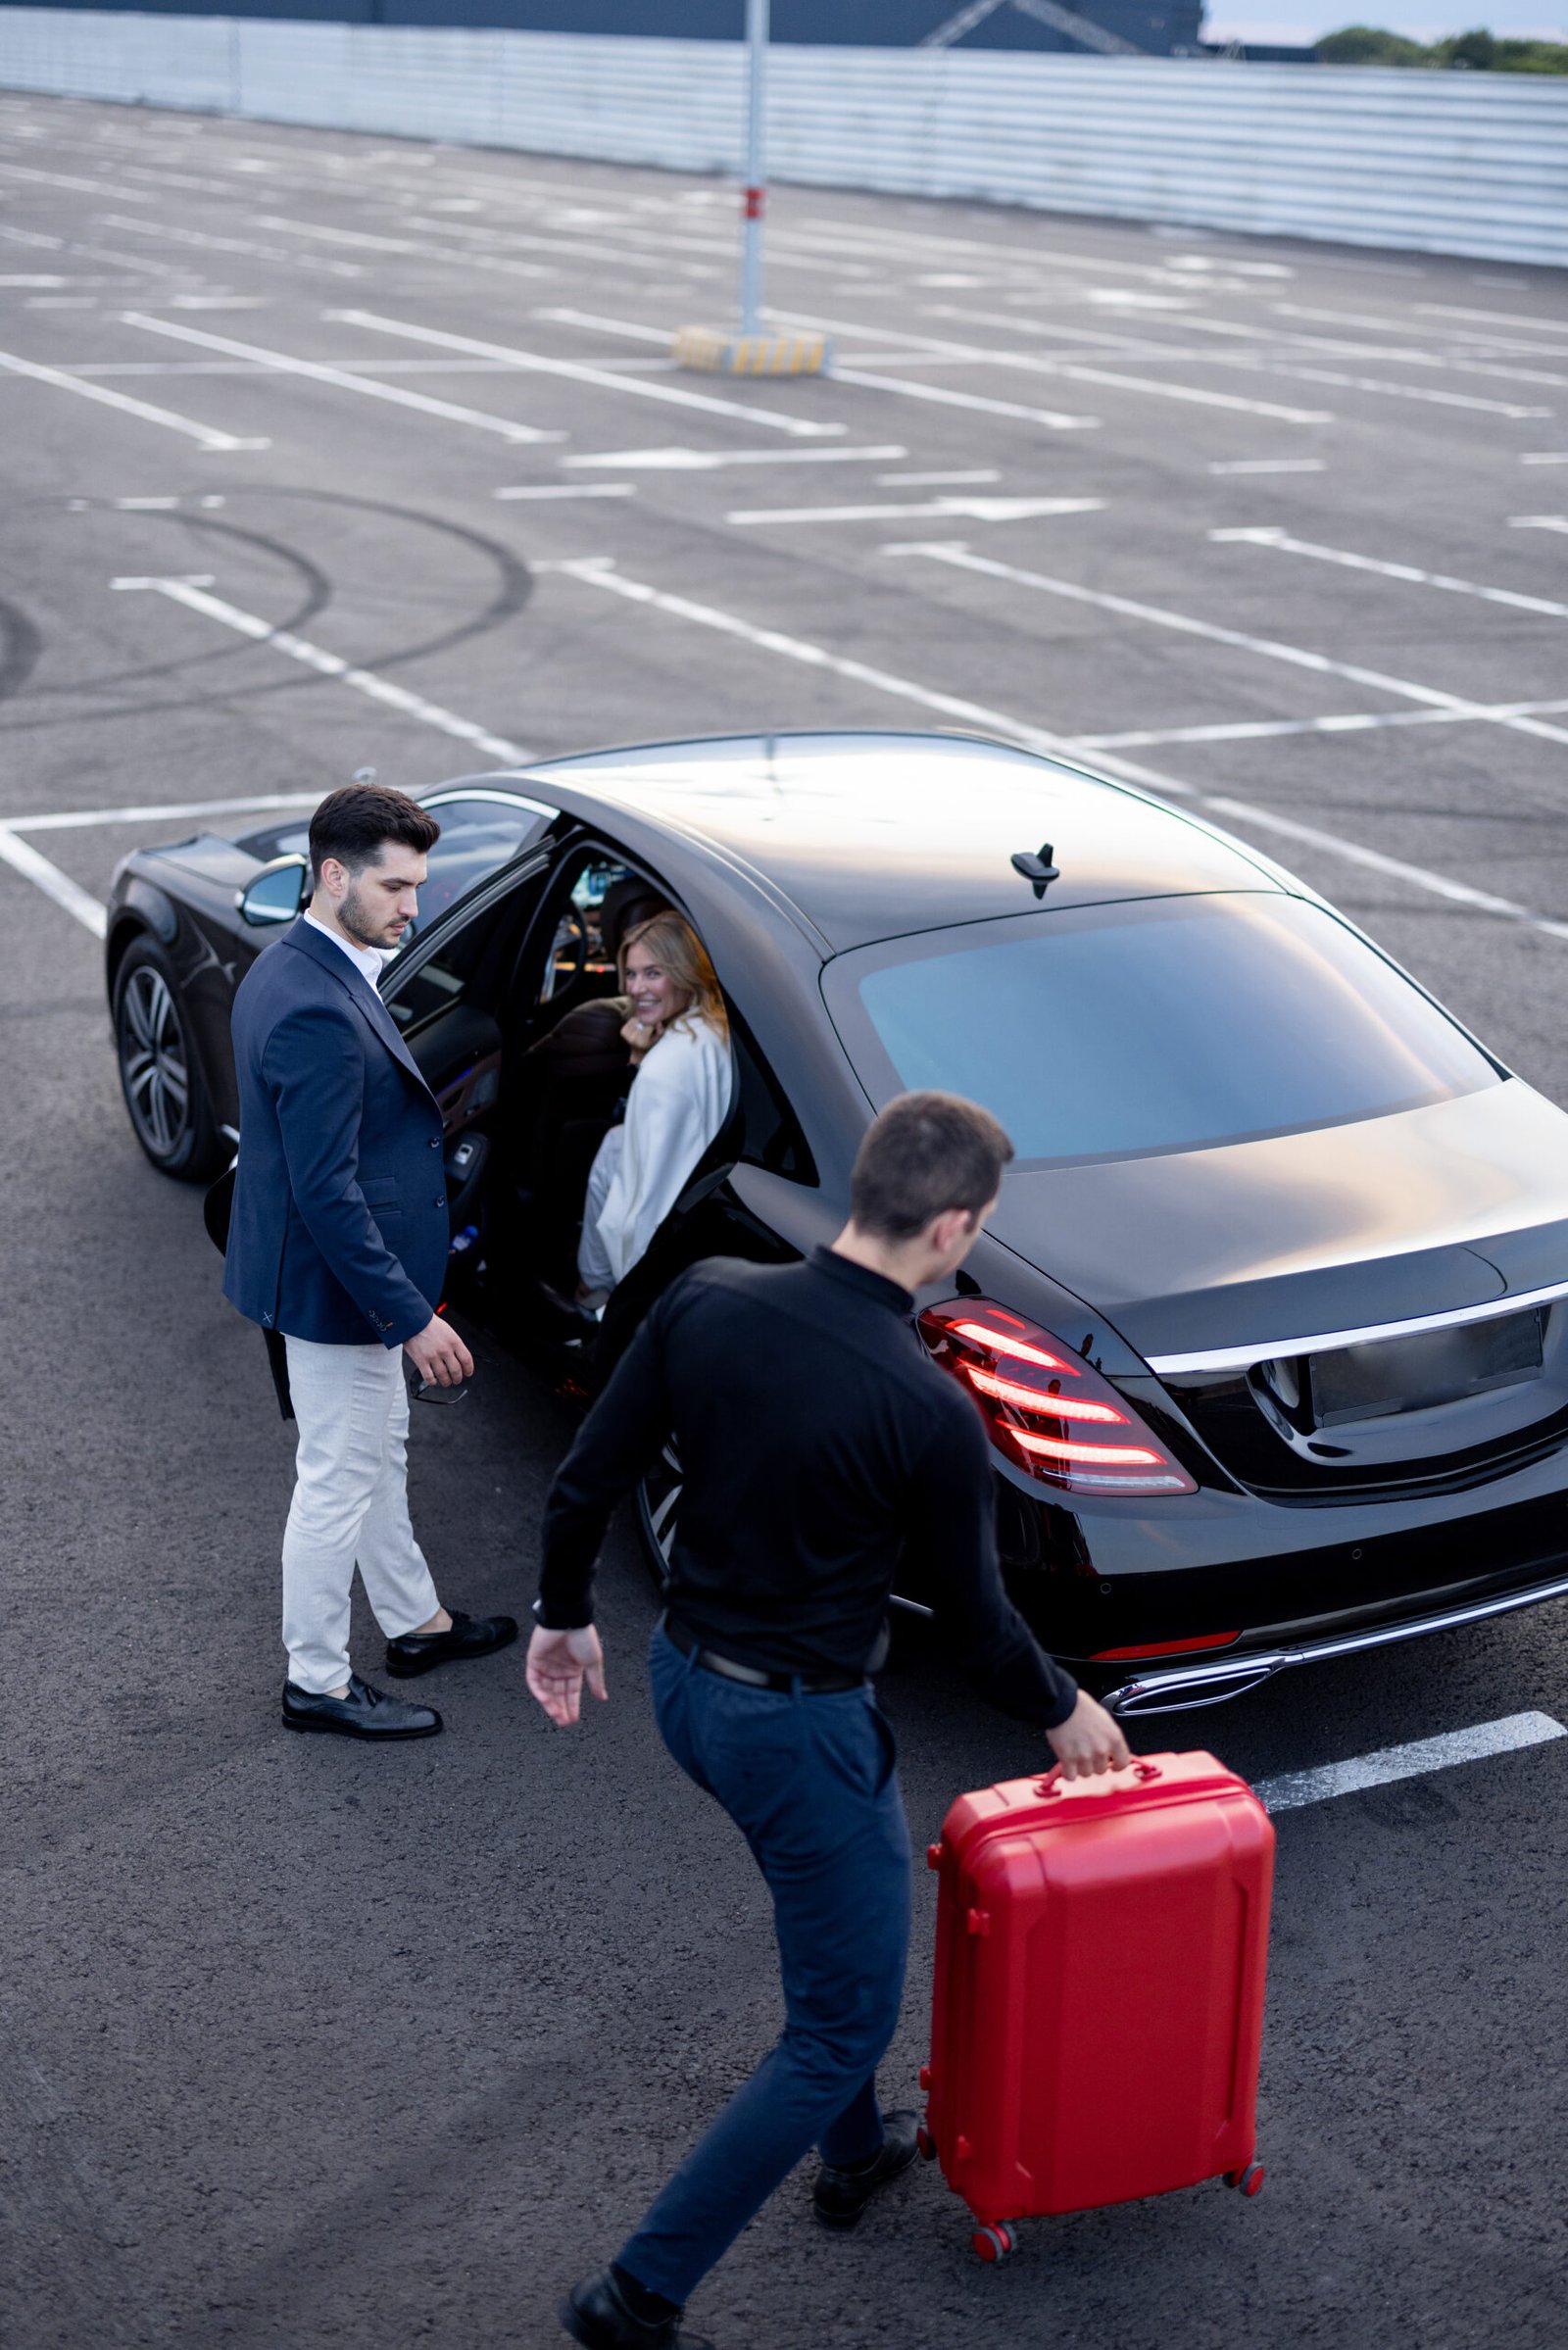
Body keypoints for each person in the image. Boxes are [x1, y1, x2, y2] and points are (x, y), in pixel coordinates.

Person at [525, 1091, 1132, 2350]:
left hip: (685, 1686)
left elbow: (587, 1474)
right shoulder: (926, 1409)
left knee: (830, 1922)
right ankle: (636, 2294)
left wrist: (564, 1615)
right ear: (953, 1226)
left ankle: (855, 2154)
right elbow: (974, 1623)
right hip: (796, 1730)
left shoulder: (707, 1298)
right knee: (842, 2019)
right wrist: (1064, 1707)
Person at [223, 781, 516, 1741]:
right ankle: (314, 1680)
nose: (412, 908)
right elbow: (326, 1192)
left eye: (419, 886)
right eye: (396, 887)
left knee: (374, 1454)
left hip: (334, 1286)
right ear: (334, 874)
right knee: (337, 1479)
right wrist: (412, 1315)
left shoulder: (303, 962)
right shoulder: (313, 1005)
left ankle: (414, 1621)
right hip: (338, 1293)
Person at [574, 912, 733, 1307]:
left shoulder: (665, 1070)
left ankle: (589, 1293)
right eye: (631, 975)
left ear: (684, 973)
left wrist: (617, 1297)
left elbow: (640, 1208)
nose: (636, 989)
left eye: (653, 974)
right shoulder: (717, 1030)